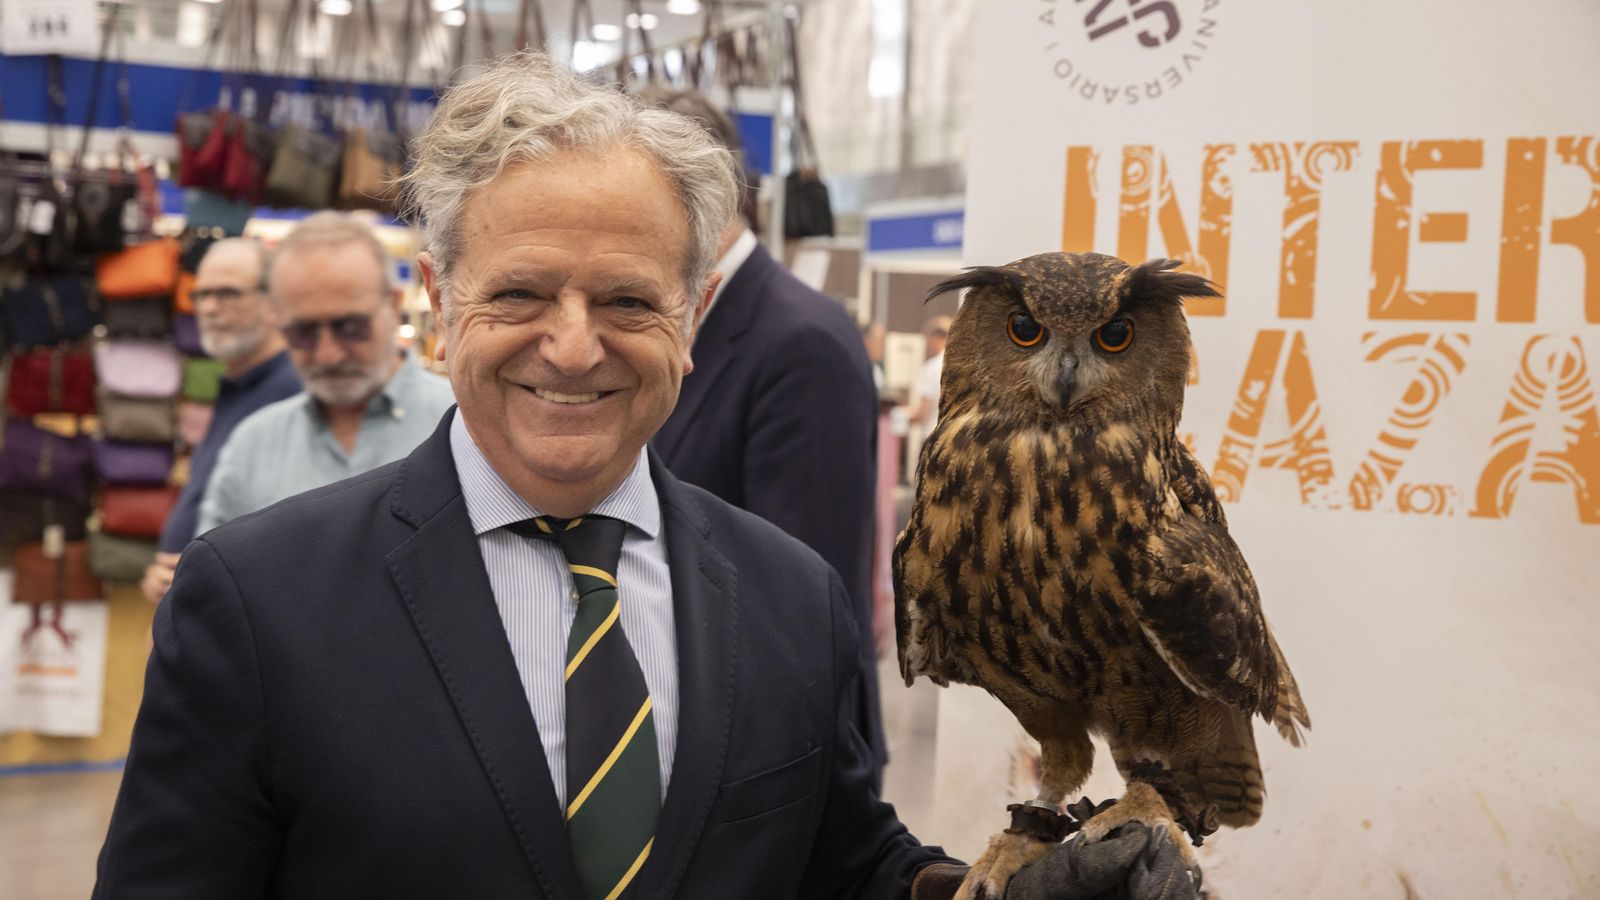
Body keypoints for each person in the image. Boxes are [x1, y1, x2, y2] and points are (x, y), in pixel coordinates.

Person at [94, 54, 1192, 900]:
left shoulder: (788, 597)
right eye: (519, 295)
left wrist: (987, 894)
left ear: (692, 313)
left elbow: (841, 862)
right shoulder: (257, 603)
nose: (573, 348)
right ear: (438, 299)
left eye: (626, 300)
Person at [640, 87, 888, 789]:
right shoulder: (689, 320)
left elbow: (804, 597)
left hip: (775, 765)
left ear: (706, 196)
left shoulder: (799, 341)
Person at [194, 211, 454, 532]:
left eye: (350, 328)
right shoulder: (252, 445)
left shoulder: (466, 422)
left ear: (393, 306)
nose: (328, 355)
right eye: (303, 333)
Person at [140, 238, 301, 602]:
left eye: (227, 293)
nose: (209, 308)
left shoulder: (293, 392)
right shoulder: (239, 385)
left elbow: (290, 526)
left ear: (274, 301)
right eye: (201, 295)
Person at [907, 314, 953, 430]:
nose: (926, 346)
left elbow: (921, 413)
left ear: (936, 338)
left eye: (927, 340)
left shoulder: (932, 367)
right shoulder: (961, 366)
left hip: (934, 433)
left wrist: (900, 415)